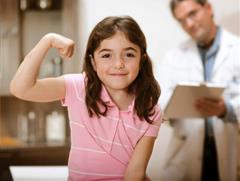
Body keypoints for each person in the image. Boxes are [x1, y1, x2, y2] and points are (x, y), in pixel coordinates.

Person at [10, 16, 162, 180]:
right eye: (106, 55)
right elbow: (21, 89)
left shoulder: (150, 110)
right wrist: (48, 41)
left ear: (142, 59)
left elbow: (136, 172)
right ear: (93, 62)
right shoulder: (78, 87)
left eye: (129, 54)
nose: (118, 63)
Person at [157, 0, 240, 180]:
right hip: (187, 151)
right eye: (181, 20)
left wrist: (226, 109)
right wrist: (176, 103)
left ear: (208, 8)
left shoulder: (237, 49)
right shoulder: (174, 56)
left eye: (192, 14)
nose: (189, 24)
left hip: (230, 146)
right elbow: (159, 100)